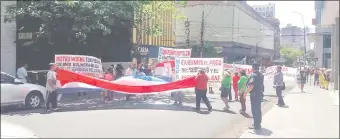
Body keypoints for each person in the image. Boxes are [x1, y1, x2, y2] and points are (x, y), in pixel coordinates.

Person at [245, 62, 264, 130]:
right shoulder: (261, 75)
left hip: (254, 95)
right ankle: (258, 123)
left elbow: (251, 86)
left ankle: (256, 125)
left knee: (254, 110)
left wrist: (245, 93)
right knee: (258, 109)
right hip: (260, 94)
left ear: (253, 68)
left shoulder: (254, 75)